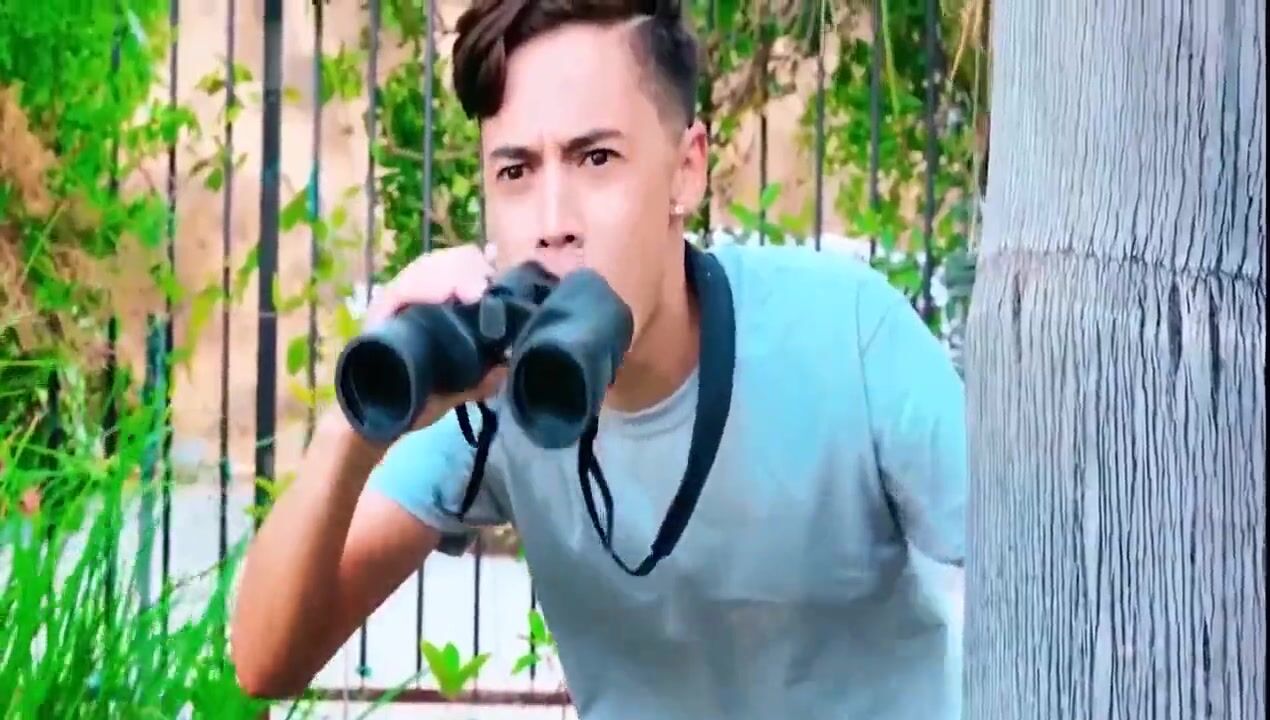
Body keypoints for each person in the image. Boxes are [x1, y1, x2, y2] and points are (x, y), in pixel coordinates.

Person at [229, 1, 968, 718]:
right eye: (516, 172)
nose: (554, 224)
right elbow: (267, 663)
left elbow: (1028, 574)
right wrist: (358, 423)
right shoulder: (491, 387)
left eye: (596, 158)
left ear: (686, 170)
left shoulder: (846, 332)